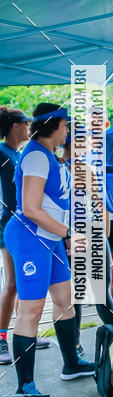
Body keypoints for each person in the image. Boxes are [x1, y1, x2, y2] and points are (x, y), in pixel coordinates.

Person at [3, 103, 95, 394]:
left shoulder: (49, 155)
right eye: (65, 125)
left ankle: (72, 364)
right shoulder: (36, 157)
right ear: (54, 125)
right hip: (30, 237)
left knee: (64, 299)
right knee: (31, 310)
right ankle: (25, 386)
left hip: (49, 237)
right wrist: (68, 233)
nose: (68, 131)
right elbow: (30, 208)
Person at [0, 107, 51, 365]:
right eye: (26, 123)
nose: (29, 127)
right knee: (11, 284)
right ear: (14, 126)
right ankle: (1, 340)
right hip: (8, 225)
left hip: (27, 225)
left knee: (23, 282)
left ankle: (26, 333)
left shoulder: (19, 154)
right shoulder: (1, 153)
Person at [61, 130, 113, 356]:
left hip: (75, 234)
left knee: (81, 293)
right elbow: (99, 204)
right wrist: (104, 235)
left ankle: (79, 345)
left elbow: (98, 204)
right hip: (82, 233)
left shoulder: (65, 168)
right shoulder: (75, 168)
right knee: (97, 292)